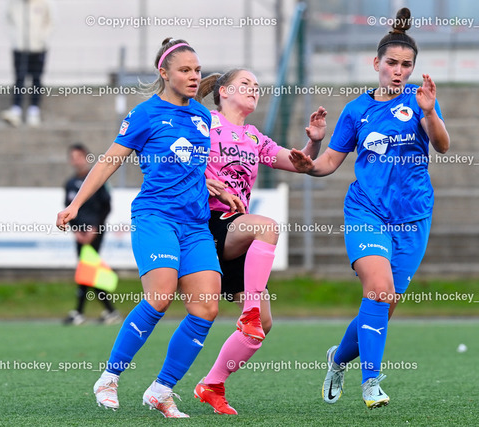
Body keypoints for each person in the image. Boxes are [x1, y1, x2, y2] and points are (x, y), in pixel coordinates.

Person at [56, 38, 242, 419]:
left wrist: (213, 184)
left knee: (206, 307)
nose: (194, 77)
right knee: (160, 296)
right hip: (156, 218)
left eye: (196, 70)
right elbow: (108, 162)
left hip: (194, 225)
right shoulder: (144, 114)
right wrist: (75, 204)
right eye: (185, 70)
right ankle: (109, 378)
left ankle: (161, 389)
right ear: (164, 73)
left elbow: (188, 163)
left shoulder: (203, 117)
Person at [290, 8, 449, 410]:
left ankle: (338, 358)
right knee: (378, 291)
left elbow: (443, 146)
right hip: (366, 212)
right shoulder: (356, 111)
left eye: (406, 65)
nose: (398, 71)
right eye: (391, 63)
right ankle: (372, 384)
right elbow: (328, 163)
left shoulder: (421, 102)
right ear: (375, 64)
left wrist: (430, 113)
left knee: (385, 302)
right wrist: (310, 159)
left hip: (413, 217)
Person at [192, 68, 327, 414]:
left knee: (262, 327)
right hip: (206, 223)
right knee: (266, 227)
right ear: (223, 91)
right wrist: (201, 180)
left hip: (236, 230)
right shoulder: (203, 121)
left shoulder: (254, 137)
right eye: (245, 85)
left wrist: (312, 142)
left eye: (257, 86)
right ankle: (248, 310)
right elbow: (173, 154)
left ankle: (212, 384)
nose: (254, 90)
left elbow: (299, 164)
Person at [63, 143, 121, 326]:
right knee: (87, 270)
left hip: (95, 232)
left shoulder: (96, 181)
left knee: (87, 269)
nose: (76, 161)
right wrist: (75, 230)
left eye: (79, 156)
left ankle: (82, 312)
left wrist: (95, 228)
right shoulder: (70, 184)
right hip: (79, 234)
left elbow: (106, 207)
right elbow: (68, 208)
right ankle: (108, 311)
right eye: (73, 157)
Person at [0, 0, 54, 127]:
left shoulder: (44, 3)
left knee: (36, 79)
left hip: (38, 48)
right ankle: (16, 110)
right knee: (19, 78)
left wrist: (42, 38)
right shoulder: (13, 4)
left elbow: (51, 21)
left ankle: (34, 111)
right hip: (20, 48)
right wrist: (15, 39)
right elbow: (7, 21)